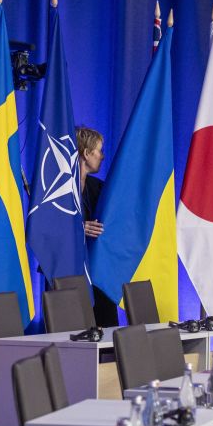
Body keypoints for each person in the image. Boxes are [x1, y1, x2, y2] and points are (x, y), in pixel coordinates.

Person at [76, 127, 118, 327]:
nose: (102, 156)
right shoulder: (58, 187)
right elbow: (45, 228)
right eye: (99, 151)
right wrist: (77, 229)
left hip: (97, 269)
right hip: (69, 271)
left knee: (107, 328)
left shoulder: (99, 187)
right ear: (86, 153)